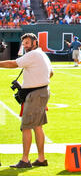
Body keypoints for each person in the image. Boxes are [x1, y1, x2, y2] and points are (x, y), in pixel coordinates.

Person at [0, 33, 53, 168]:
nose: (25, 46)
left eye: (27, 43)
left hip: (35, 93)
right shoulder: (42, 54)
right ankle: (41, 159)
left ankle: (25, 160)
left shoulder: (33, 54)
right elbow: (51, 73)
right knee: (37, 126)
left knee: (26, 127)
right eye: (24, 44)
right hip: (42, 91)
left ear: (35, 42)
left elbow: (13, 63)